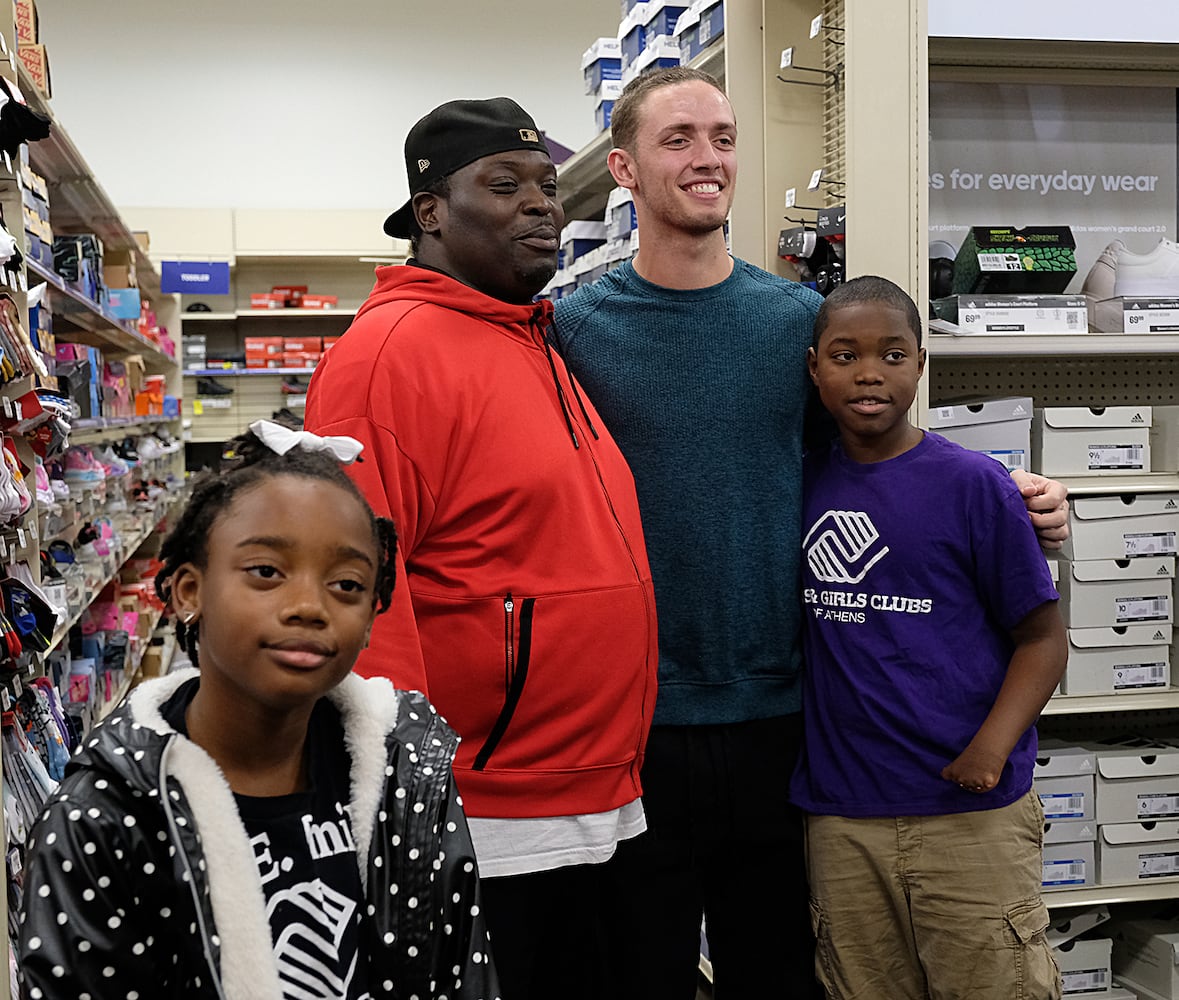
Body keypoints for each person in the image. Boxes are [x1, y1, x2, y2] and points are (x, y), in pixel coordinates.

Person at [551, 66, 1070, 999]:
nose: (708, 158)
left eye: (722, 135)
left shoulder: (795, 321)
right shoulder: (571, 330)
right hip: (635, 721)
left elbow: (882, 449)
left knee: (783, 973)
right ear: (622, 169)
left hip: (787, 721)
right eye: (678, 140)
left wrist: (1008, 489)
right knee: (644, 971)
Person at [304, 97, 658, 1000]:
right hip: (484, 815)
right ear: (430, 212)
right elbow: (354, 598)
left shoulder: (528, 338)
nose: (541, 205)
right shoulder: (392, 354)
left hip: (592, 793)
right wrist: (397, 804)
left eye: (546, 185)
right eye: (505, 186)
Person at [16, 421, 500, 1000]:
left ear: (373, 616)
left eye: (346, 584)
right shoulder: (104, 817)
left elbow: (459, 972)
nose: (308, 607)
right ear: (187, 592)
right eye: (266, 572)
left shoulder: (410, 778)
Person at [791, 275, 1065, 999]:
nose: (869, 373)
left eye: (892, 354)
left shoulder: (973, 484)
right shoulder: (797, 484)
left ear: (920, 364)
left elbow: (1042, 637)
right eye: (844, 356)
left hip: (969, 816)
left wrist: (989, 748)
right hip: (842, 816)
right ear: (813, 366)